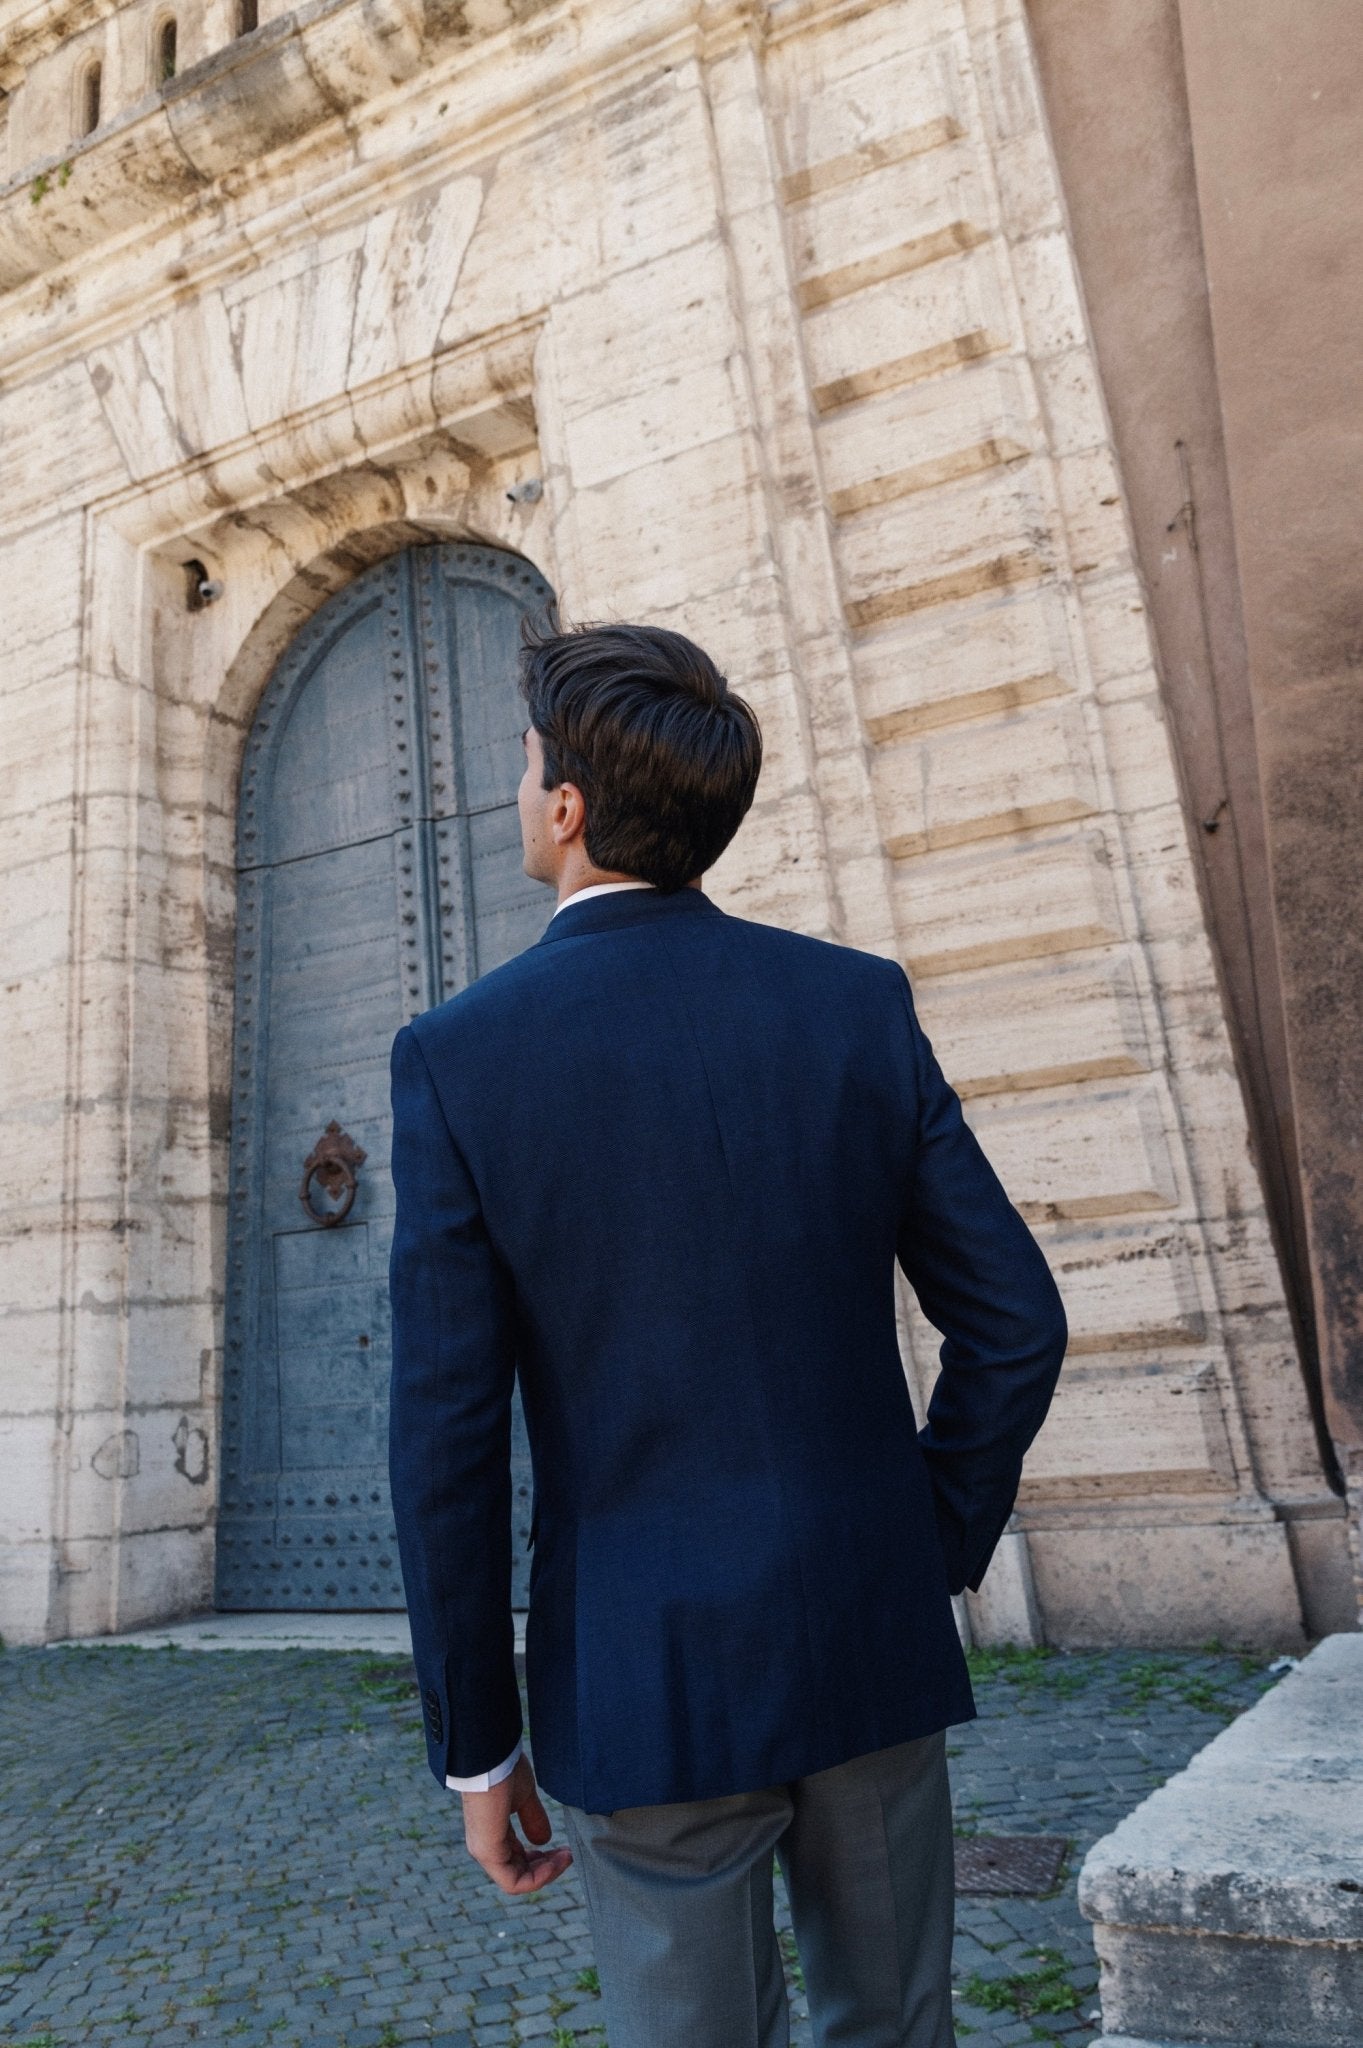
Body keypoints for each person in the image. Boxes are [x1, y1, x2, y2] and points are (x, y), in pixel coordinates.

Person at [387, 616, 1067, 2048]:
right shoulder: (853, 1005)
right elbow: (1014, 1323)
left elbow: (444, 1437)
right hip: (867, 1630)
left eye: (522, 769)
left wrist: (477, 1744)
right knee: (895, 2029)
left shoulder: (461, 1058)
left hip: (646, 1674)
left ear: (566, 811)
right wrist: (924, 1538)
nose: (515, 794)